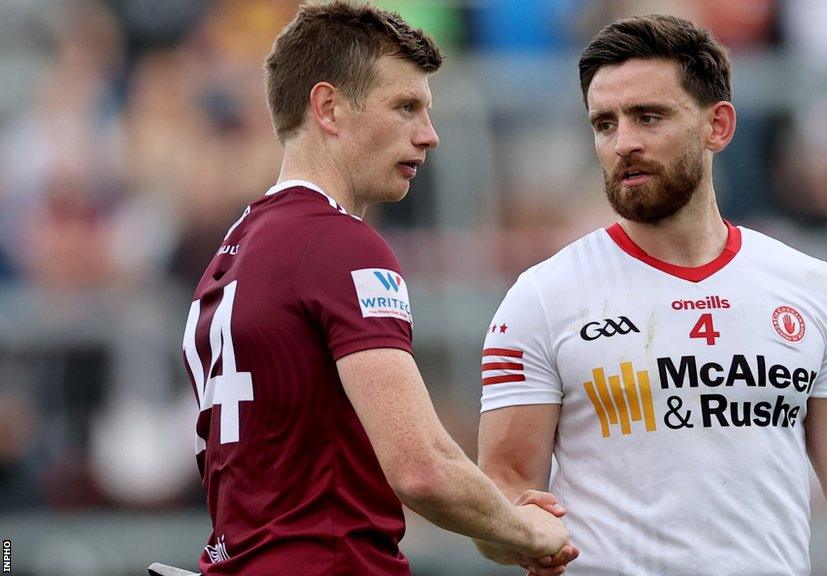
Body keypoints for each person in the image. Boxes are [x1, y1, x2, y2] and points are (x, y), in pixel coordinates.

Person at [476, 14, 827, 576]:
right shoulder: (541, 297)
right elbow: (504, 491)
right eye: (604, 124)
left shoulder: (811, 288)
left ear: (719, 126)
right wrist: (518, 532)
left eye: (648, 117)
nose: (623, 143)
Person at [180, 2, 578, 575]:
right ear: (329, 108)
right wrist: (526, 529)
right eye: (405, 107)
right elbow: (421, 466)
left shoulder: (235, 248)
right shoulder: (339, 244)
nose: (431, 135)